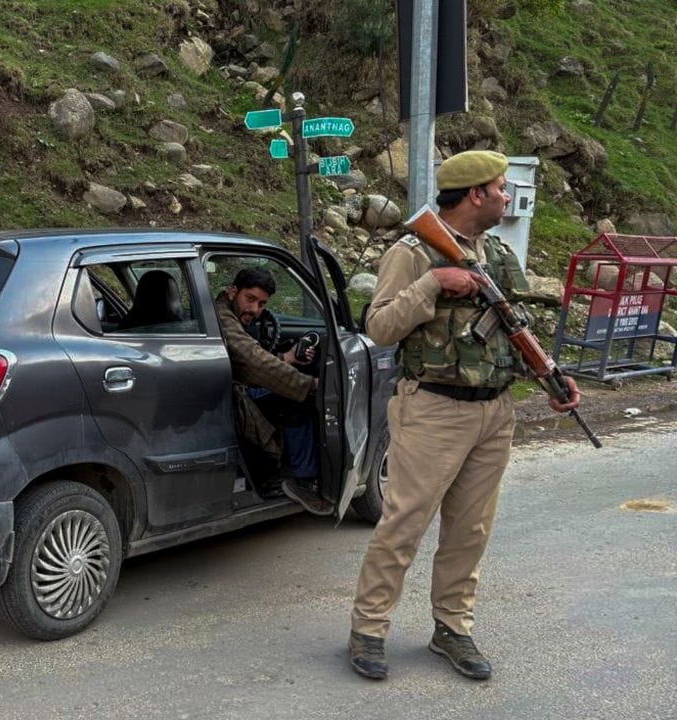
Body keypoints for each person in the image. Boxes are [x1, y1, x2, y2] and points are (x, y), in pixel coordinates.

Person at [346, 150, 582, 682]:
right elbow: (379, 328)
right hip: (432, 408)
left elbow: (514, 326)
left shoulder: (497, 254)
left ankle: (452, 627)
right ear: (475, 194)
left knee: (470, 529)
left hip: (494, 411)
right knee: (404, 524)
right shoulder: (413, 251)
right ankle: (369, 629)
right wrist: (433, 285)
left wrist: (552, 378)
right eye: (500, 188)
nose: (507, 196)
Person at [214, 268, 323, 512]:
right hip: (231, 395)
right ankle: (301, 480)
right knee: (299, 400)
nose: (255, 310)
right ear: (233, 292)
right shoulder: (222, 319)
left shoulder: (226, 313)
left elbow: (253, 359)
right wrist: (309, 385)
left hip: (236, 387)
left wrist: (287, 358)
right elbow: (252, 361)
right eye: (250, 299)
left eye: (262, 304)